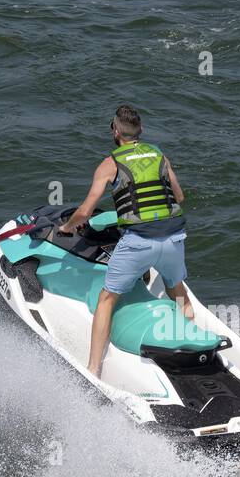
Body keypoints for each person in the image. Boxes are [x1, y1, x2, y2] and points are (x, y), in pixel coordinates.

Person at [59, 105, 191, 376]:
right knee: (180, 295)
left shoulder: (110, 164)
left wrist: (68, 227)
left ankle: (94, 369)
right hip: (174, 238)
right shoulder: (159, 155)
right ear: (141, 131)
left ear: (115, 131)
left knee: (107, 298)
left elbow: (85, 211)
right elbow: (179, 198)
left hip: (140, 241)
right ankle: (187, 353)